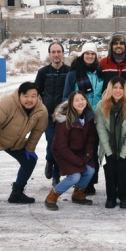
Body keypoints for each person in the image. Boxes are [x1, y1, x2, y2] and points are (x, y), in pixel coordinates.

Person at [0, 82, 48, 214]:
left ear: (38, 97)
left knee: (29, 161)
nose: (29, 99)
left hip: (14, 140)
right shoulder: (7, 104)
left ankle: (17, 194)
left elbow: (37, 132)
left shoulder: (41, 111)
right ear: (19, 95)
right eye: (25, 96)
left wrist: (29, 149)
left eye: (33, 96)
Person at [44, 91, 96, 210]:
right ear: (71, 103)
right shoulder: (64, 119)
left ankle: (78, 194)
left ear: (86, 101)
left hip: (80, 152)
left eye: (82, 99)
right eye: (76, 100)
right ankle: (52, 196)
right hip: (62, 152)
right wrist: (78, 161)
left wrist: (87, 156)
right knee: (74, 176)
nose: (80, 102)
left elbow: (90, 140)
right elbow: (61, 146)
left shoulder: (88, 117)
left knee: (90, 170)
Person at [95, 77, 126, 209]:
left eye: (121, 88)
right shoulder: (101, 105)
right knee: (109, 166)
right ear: (110, 89)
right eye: (115, 87)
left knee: (123, 166)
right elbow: (101, 130)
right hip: (108, 144)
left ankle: (124, 197)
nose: (118, 90)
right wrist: (109, 152)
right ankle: (111, 197)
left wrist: (123, 154)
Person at [63, 42, 103, 195]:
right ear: (82, 55)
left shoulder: (100, 73)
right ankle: (80, 183)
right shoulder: (73, 73)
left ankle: (91, 183)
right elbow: (67, 96)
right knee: (79, 151)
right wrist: (71, 118)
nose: (90, 56)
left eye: (92, 54)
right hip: (80, 119)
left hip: (97, 118)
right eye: (87, 53)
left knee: (93, 151)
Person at [35, 41, 70, 187]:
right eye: (53, 52)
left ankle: (56, 175)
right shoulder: (43, 72)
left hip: (64, 116)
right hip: (48, 116)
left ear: (63, 54)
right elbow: (36, 92)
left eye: (58, 51)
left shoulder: (69, 71)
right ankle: (49, 161)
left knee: (61, 145)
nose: (56, 54)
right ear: (50, 55)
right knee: (51, 142)